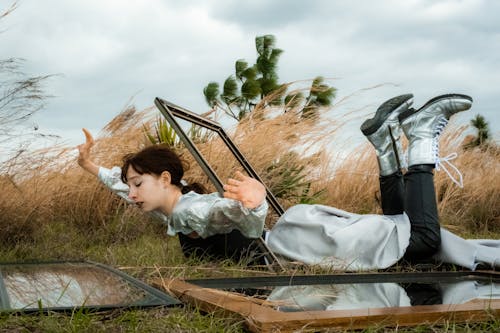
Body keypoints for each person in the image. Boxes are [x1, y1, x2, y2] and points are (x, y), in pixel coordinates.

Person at [77, 93, 500, 271]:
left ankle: (422, 137)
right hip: (300, 232)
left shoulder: (192, 210)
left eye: (136, 184)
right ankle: (384, 145)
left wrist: (255, 202)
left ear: (164, 179)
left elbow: (237, 218)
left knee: (422, 238)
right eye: (129, 185)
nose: (130, 193)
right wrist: (90, 167)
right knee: (402, 232)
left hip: (299, 243)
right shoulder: (173, 204)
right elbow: (121, 186)